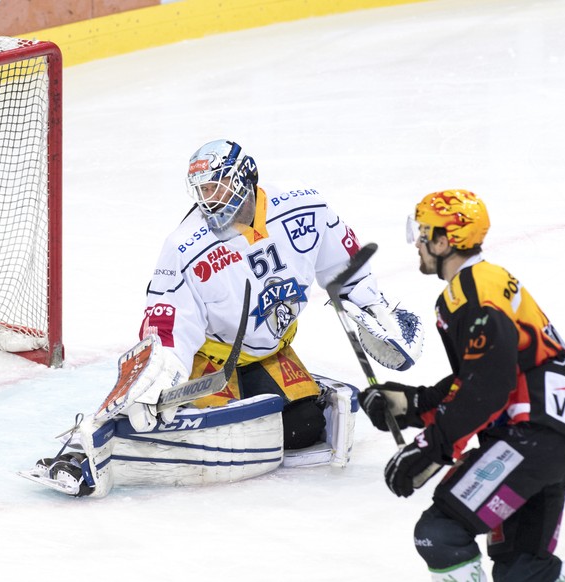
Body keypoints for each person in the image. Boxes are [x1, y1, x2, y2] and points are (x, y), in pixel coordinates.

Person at [22, 139, 425, 496]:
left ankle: (251, 397)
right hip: (209, 358)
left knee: (305, 428)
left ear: (245, 179)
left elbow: (346, 264)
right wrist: (159, 371)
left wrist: (371, 307)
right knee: (178, 429)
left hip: (269, 350)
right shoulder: (185, 246)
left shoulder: (306, 208)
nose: (209, 199)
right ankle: (82, 446)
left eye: (217, 186)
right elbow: (167, 322)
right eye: (201, 191)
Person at [358, 190, 565, 581]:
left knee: (440, 534)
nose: (418, 242)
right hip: (556, 433)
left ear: (446, 240)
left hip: (530, 434)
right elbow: (483, 377)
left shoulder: (473, 291)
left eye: (424, 232)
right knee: (523, 571)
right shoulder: (487, 282)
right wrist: (410, 405)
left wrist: (433, 446)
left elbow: (488, 388)